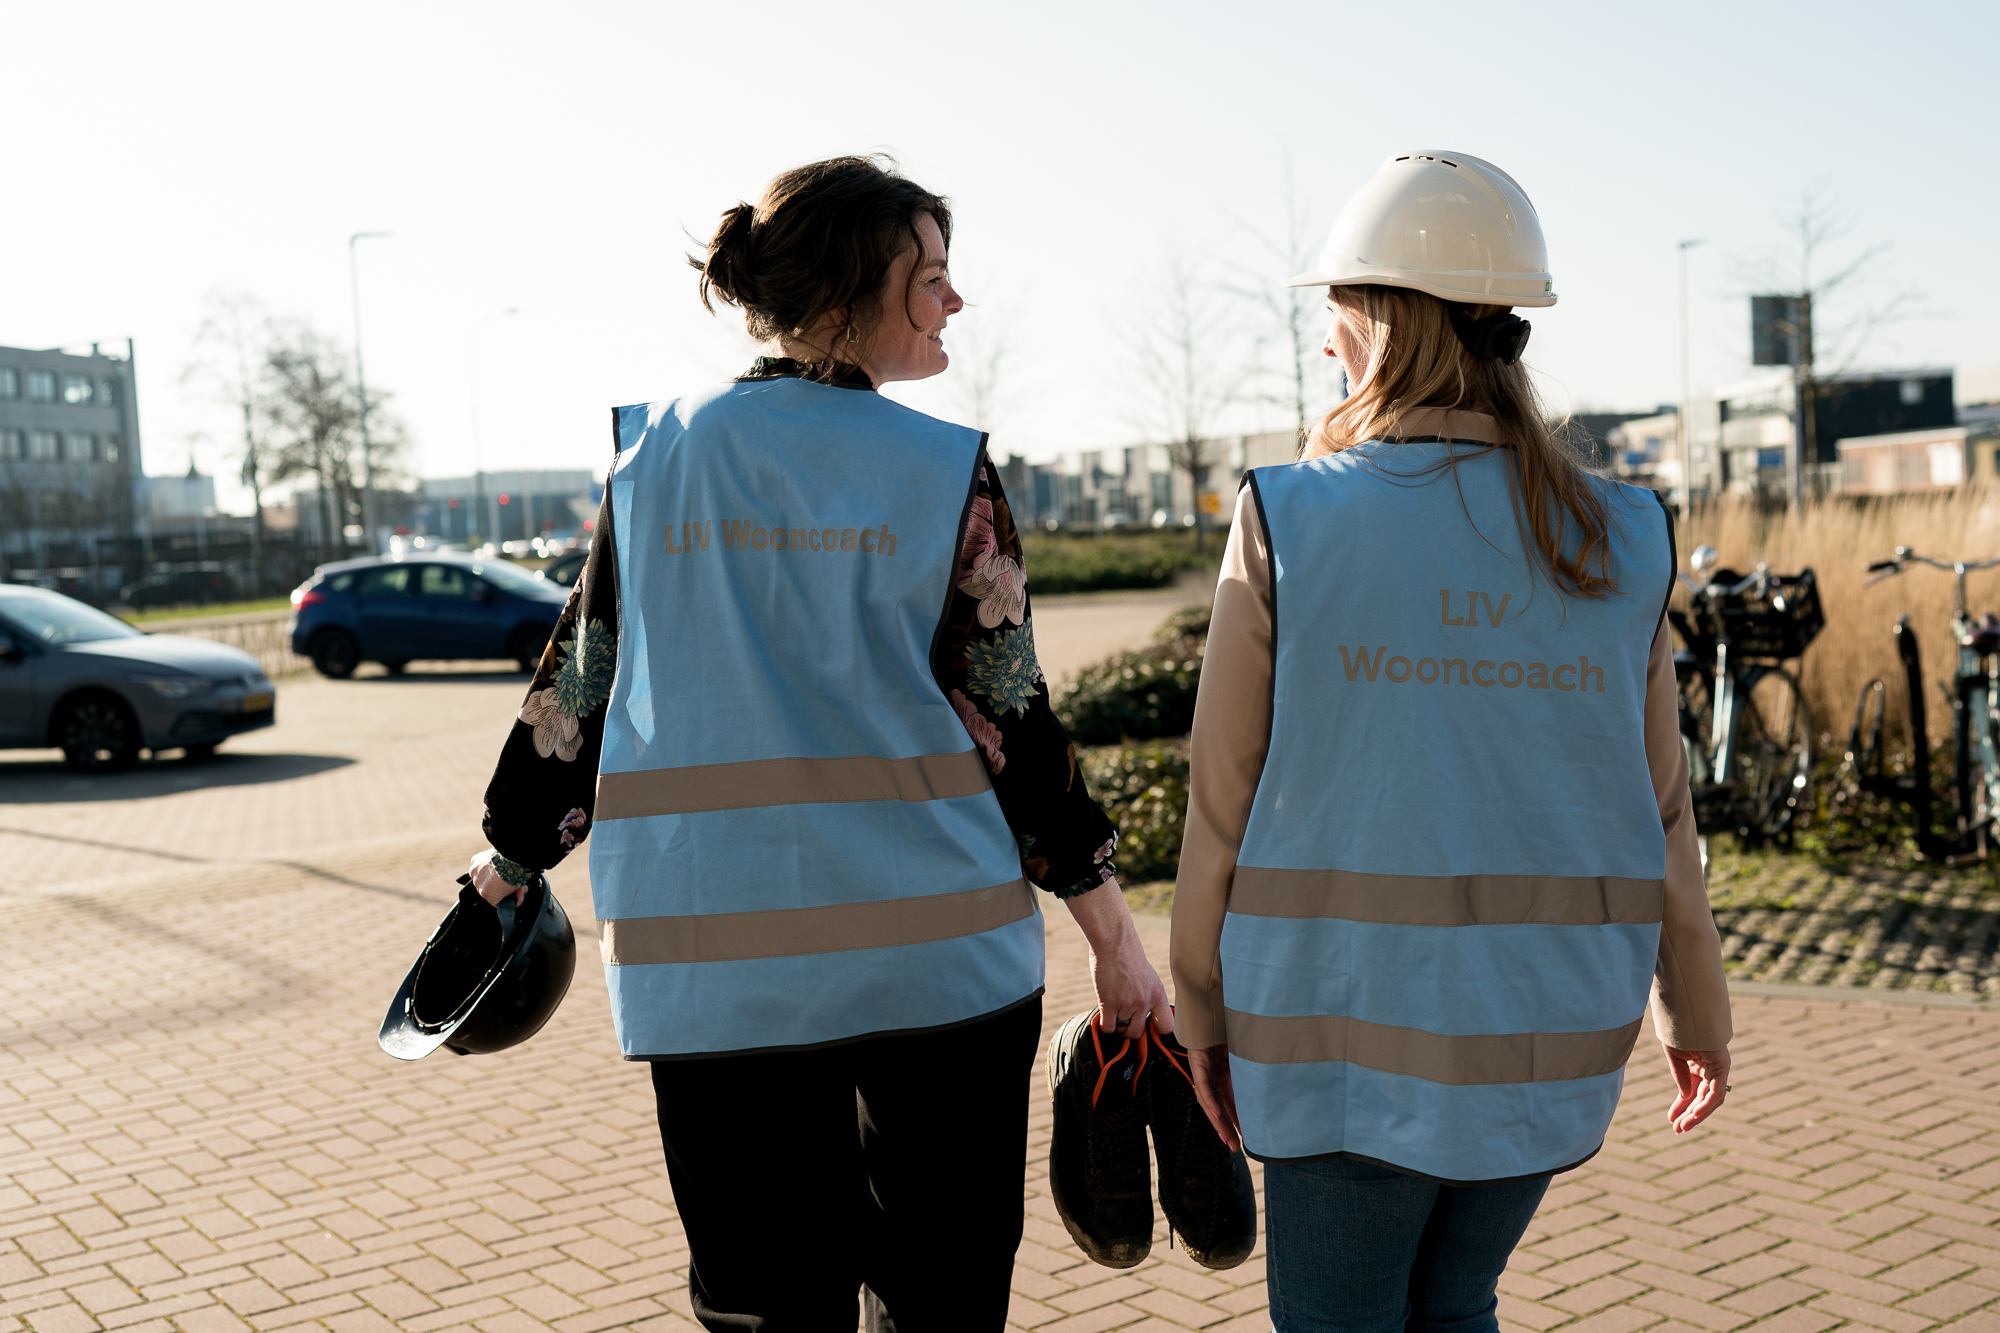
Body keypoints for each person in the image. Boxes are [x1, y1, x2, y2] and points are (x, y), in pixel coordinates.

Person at [465, 154, 1171, 1332]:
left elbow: (577, 681)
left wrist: (509, 858)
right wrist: (1112, 936)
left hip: (714, 967)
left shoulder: (654, 459)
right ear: (850, 294)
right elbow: (1010, 715)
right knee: (941, 1297)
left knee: (765, 1303)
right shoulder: (941, 471)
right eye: (930, 276)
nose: (953, 300)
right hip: (941, 965)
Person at [1168, 151, 1734, 1333]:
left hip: (1336, 1031)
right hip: (1550, 1025)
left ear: (1378, 319)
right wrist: (1692, 1008)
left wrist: (1201, 1014)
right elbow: (1661, 806)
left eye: (1335, 308)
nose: (1325, 337)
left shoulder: (1289, 516)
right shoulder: (1623, 533)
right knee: (1456, 1305)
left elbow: (1220, 804)